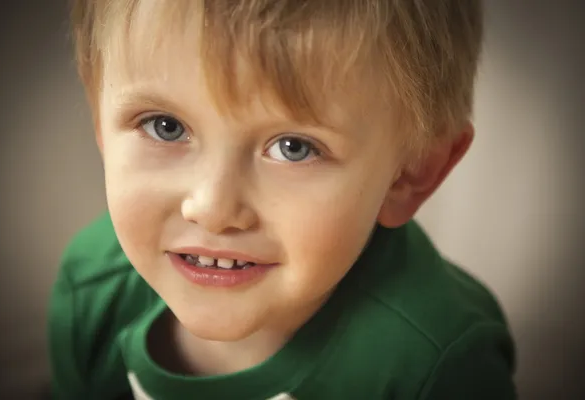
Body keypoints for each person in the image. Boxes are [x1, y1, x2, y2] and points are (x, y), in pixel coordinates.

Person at [48, 0, 516, 399]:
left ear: (410, 175)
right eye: (164, 126)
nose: (212, 207)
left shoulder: (438, 364)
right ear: (100, 124)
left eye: (295, 147)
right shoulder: (91, 286)